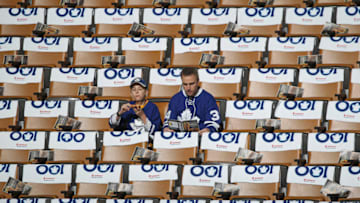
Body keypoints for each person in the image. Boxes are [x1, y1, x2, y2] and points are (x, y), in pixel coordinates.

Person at [163, 67, 221, 134]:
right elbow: (168, 122)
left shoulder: (208, 98)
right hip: (178, 138)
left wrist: (209, 130)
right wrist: (167, 128)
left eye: (191, 84)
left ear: (198, 82)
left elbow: (213, 123)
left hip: (200, 137)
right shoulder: (175, 99)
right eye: (185, 84)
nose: (188, 88)